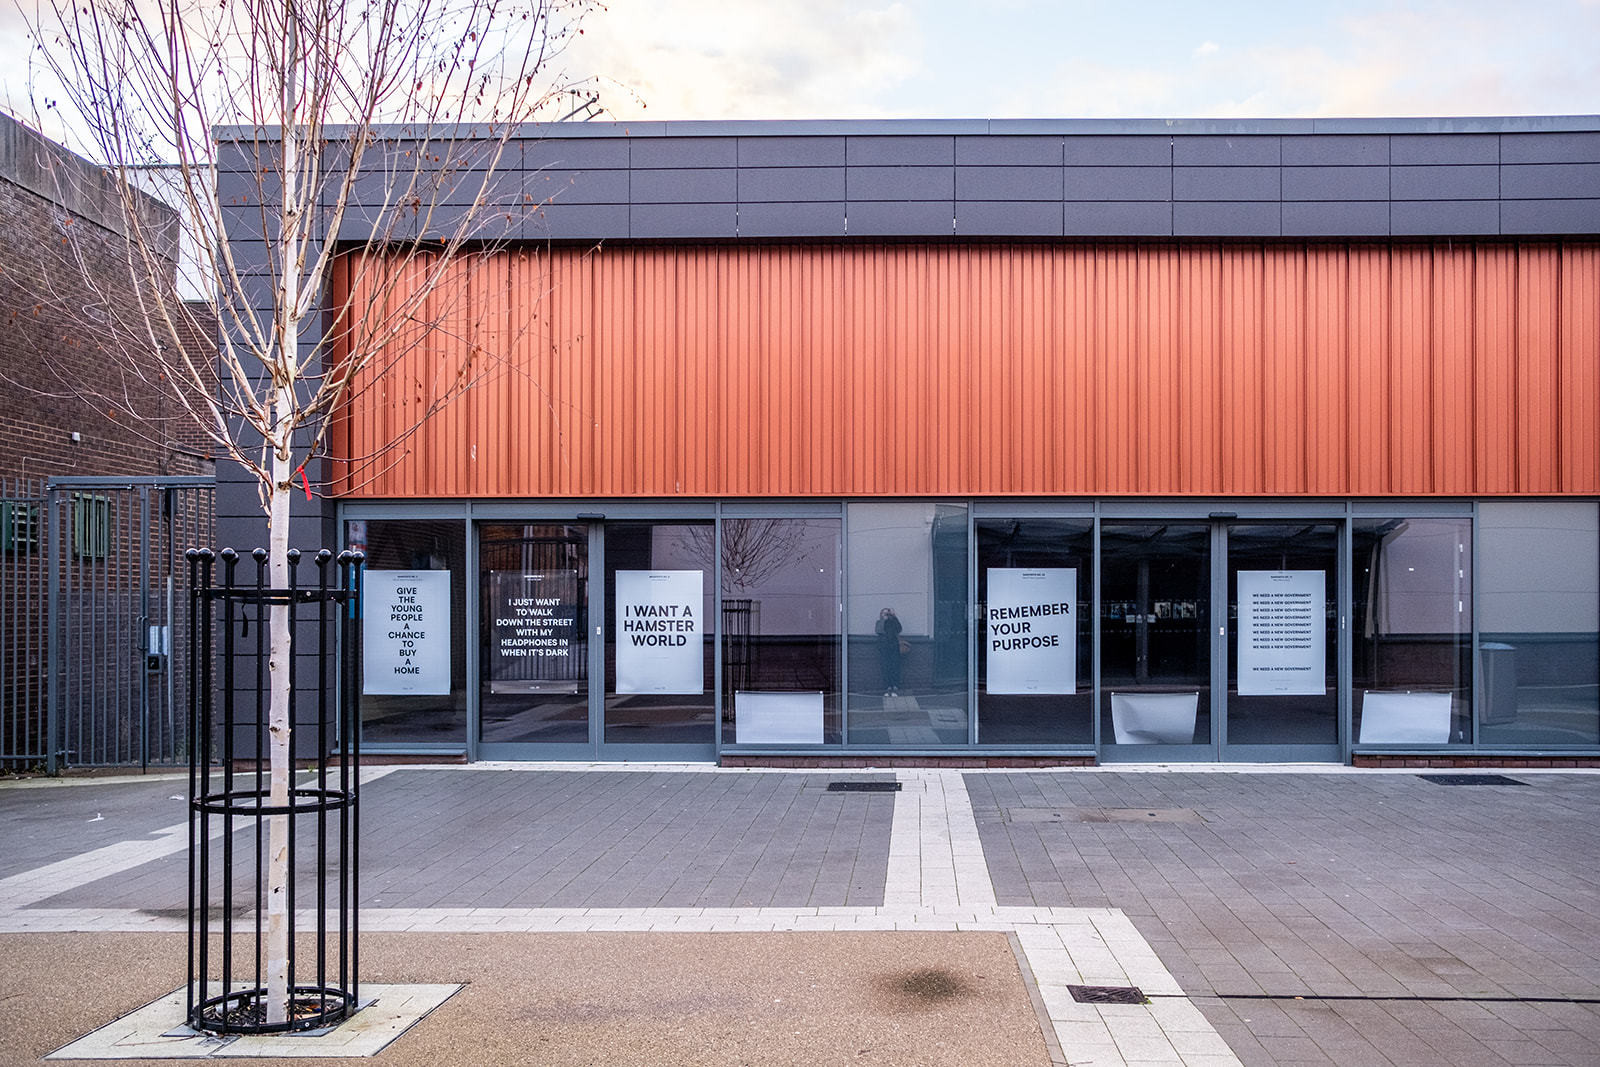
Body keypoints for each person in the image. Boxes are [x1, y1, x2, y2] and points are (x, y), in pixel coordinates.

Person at [875, 606, 903, 696]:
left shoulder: (893, 622)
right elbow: (879, 630)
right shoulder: (879, 622)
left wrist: (894, 617)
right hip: (884, 647)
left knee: (895, 665)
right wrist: (884, 619)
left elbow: (899, 629)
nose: (886, 614)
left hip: (894, 647)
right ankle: (887, 686)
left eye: (888, 613)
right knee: (885, 666)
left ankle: (895, 685)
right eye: (884, 613)